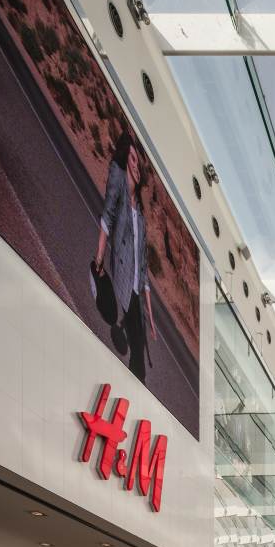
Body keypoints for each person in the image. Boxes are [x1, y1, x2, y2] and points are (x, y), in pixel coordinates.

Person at [94, 133, 158, 383]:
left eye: (138, 162)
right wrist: (99, 257)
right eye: (132, 158)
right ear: (125, 159)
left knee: (138, 347)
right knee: (136, 350)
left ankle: (133, 388)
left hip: (136, 291)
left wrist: (151, 317)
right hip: (121, 276)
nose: (136, 165)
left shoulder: (141, 218)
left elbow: (144, 274)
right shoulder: (118, 181)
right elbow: (107, 217)